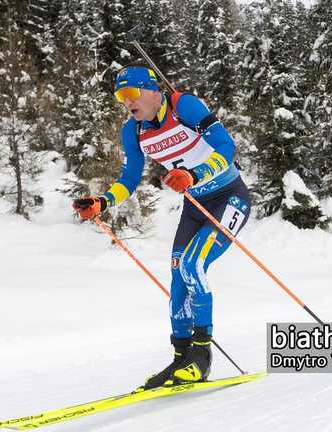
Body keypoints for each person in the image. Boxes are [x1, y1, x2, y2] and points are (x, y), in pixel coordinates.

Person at [72, 65, 251, 388]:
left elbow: (226, 148)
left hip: (229, 197)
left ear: (152, 90)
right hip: (195, 206)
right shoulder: (134, 131)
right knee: (177, 274)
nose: (126, 102)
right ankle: (181, 357)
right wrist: (103, 202)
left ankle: (201, 355)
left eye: (131, 94)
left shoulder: (185, 106)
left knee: (193, 265)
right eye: (120, 97)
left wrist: (194, 175)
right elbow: (129, 179)